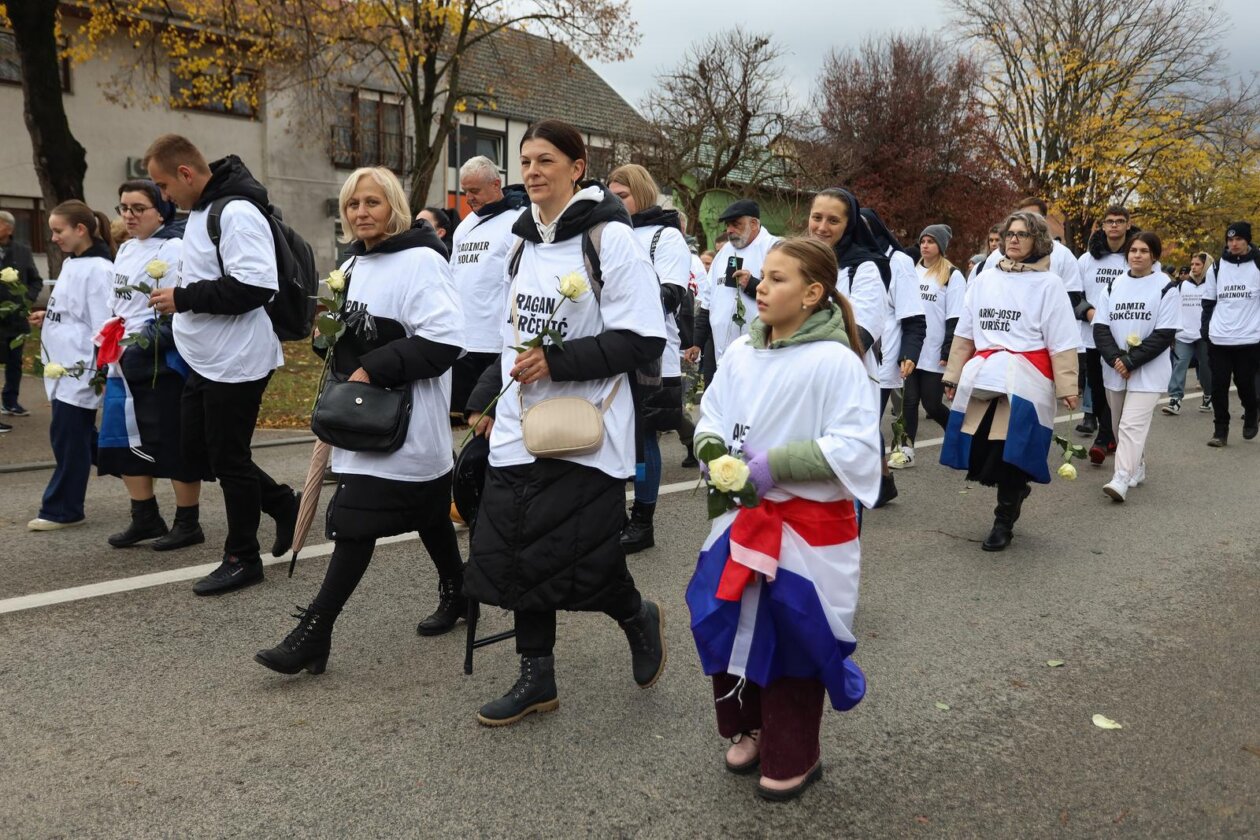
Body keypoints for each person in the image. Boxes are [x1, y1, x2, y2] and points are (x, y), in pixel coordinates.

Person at [463, 119, 667, 727]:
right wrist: (486, 396)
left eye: (545, 160)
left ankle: (634, 614)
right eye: (524, 160)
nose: (531, 171)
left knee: (579, 555)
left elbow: (642, 338)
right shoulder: (520, 242)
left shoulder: (609, 239)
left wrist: (556, 360)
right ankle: (537, 679)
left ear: (578, 168)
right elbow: (507, 336)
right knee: (517, 551)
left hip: (583, 428)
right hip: (519, 428)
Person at [687, 237, 880, 802]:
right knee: (727, 620)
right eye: (762, 278)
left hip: (806, 530)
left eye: (777, 279)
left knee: (794, 633)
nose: (761, 288)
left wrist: (776, 465)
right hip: (742, 521)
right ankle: (746, 726)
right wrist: (714, 450)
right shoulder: (744, 353)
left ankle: (795, 752)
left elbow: (855, 448)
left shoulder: (837, 362)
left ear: (813, 293)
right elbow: (713, 412)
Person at [256, 167, 466, 674]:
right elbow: (333, 340)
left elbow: (445, 339)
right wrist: (328, 330)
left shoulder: (421, 262)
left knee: (354, 524)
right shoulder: (351, 264)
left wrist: (373, 366)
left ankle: (314, 632)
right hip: (360, 419)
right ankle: (460, 591)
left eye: (372, 202)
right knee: (430, 513)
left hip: (405, 423)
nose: (361, 212)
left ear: (393, 206)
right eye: (353, 205)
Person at [144, 134, 299, 595]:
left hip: (237, 360)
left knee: (228, 458)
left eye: (164, 186)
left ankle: (241, 557)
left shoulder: (234, 212)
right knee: (203, 452)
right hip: (206, 357)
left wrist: (183, 298)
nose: (164, 196)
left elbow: (255, 287)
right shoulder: (201, 213)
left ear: (186, 174)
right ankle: (281, 502)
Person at [941, 212, 1079, 551]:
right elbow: (965, 332)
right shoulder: (984, 279)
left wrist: (1068, 388)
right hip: (985, 377)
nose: (1013, 239)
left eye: (1022, 234)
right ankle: (1015, 493)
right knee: (985, 450)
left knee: (1011, 452)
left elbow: (1061, 340)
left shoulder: (1049, 284)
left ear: (1038, 241)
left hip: (1026, 380)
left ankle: (1003, 521)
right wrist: (953, 376)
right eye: (1009, 234)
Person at [98, 180, 209, 550]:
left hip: (161, 358)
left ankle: (187, 521)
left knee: (171, 438)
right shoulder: (127, 248)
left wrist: (146, 345)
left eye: (137, 208)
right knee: (122, 438)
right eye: (123, 208)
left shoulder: (176, 248)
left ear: (160, 210)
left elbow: (180, 302)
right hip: (123, 358)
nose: (128, 216)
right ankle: (144, 516)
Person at [607, 163, 692, 554]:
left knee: (643, 440)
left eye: (622, 195)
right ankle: (615, 516)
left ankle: (642, 521)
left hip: (653, 355)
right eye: (612, 196)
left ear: (640, 193)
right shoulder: (608, 232)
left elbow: (671, 297)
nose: (616, 202)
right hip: (609, 350)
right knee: (612, 435)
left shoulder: (665, 236)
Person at [26, 201, 114, 530]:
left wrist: (99, 371)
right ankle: (132, 466)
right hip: (62, 367)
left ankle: (63, 509)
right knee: (73, 436)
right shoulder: (73, 262)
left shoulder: (99, 270)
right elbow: (71, 311)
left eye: (58, 230)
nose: (52, 238)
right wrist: (46, 315)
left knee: (68, 437)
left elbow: (103, 326)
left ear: (81, 229)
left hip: (81, 371)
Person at [1092, 232, 1179, 501]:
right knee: (1118, 424)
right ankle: (1137, 465)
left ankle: (1120, 478)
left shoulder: (1166, 287)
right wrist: (1117, 359)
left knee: (1131, 424)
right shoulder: (1113, 285)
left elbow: (1164, 334)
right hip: (1115, 368)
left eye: (1143, 251)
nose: (1137, 255)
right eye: (1133, 250)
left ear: (1154, 255)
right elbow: (1101, 328)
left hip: (1148, 370)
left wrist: (1131, 360)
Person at [448, 156, 528, 421]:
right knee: (465, 418)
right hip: (463, 340)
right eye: (465, 191)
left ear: (496, 184)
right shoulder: (464, 226)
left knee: (496, 420)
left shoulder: (518, 221)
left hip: (495, 341)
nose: (468, 198)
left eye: (475, 191)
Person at [859, 207, 926, 505]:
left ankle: (881, 480)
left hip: (882, 354)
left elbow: (912, 315)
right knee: (859, 420)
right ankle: (881, 480)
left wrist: (908, 352)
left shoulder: (898, 262)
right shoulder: (849, 259)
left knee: (867, 421)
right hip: (846, 352)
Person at [892, 224, 965, 468]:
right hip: (912, 349)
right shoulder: (910, 271)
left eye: (931, 241)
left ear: (941, 246)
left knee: (932, 405)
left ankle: (958, 437)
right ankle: (905, 450)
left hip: (935, 351)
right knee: (909, 402)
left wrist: (948, 349)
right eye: (923, 240)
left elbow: (955, 317)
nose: (925, 245)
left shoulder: (952, 275)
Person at [686, 200, 780, 368]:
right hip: (719, 351)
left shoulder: (775, 248)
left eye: (736, 224)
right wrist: (697, 342)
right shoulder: (723, 254)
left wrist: (752, 284)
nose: (730, 230)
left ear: (753, 224)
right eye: (728, 225)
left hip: (761, 353)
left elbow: (786, 297)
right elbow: (708, 300)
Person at [1076, 206, 1136, 458]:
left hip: (1126, 337)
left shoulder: (1136, 255)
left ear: (1128, 225)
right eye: (1109, 222)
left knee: (1119, 389)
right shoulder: (1086, 260)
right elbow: (1074, 294)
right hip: (1092, 336)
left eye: (1119, 221)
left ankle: (1107, 437)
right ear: (1102, 226)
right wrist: (1092, 314)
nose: (1114, 226)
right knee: (1098, 389)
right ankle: (1107, 433)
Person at [1201, 221, 1260, 446]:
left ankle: (1252, 411)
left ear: (1247, 240)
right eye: (1230, 240)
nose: (1234, 244)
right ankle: (1220, 431)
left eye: (1239, 240)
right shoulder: (1217, 268)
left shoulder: (1257, 264)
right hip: (1219, 337)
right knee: (1219, 385)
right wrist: (1205, 329)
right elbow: (1208, 301)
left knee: (1245, 383)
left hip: (1249, 338)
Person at [0, 209, 43, 424]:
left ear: (8, 228)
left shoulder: (22, 251)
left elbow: (36, 280)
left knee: (15, 363)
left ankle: (11, 401)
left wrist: (26, 298)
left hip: (16, 320)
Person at [1164, 252, 1213, 415]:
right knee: (1179, 365)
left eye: (1197, 264)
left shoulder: (1212, 285)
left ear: (1206, 265)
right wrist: (1172, 332)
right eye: (1192, 264)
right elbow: (1174, 308)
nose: (1193, 267)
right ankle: (1175, 400)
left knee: (1206, 368)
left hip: (1204, 336)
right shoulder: (1182, 285)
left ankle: (1208, 395)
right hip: (1183, 335)